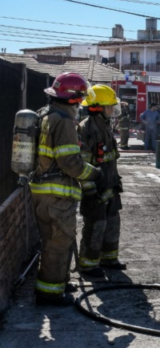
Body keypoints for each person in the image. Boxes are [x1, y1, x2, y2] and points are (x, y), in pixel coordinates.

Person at [30, 72, 101, 306]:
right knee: (57, 242)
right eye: (80, 97)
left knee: (59, 239)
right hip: (56, 194)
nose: (82, 101)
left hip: (45, 192)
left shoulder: (47, 114)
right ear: (73, 98)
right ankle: (49, 294)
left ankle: (58, 282)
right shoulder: (63, 121)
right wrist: (92, 173)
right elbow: (70, 163)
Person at [78, 85, 126, 277]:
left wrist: (115, 181)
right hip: (95, 190)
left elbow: (109, 158)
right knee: (95, 226)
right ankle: (88, 264)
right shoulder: (86, 129)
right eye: (109, 107)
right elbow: (82, 163)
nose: (112, 111)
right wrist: (90, 190)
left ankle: (109, 259)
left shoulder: (105, 126)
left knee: (113, 223)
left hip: (110, 186)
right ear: (97, 107)